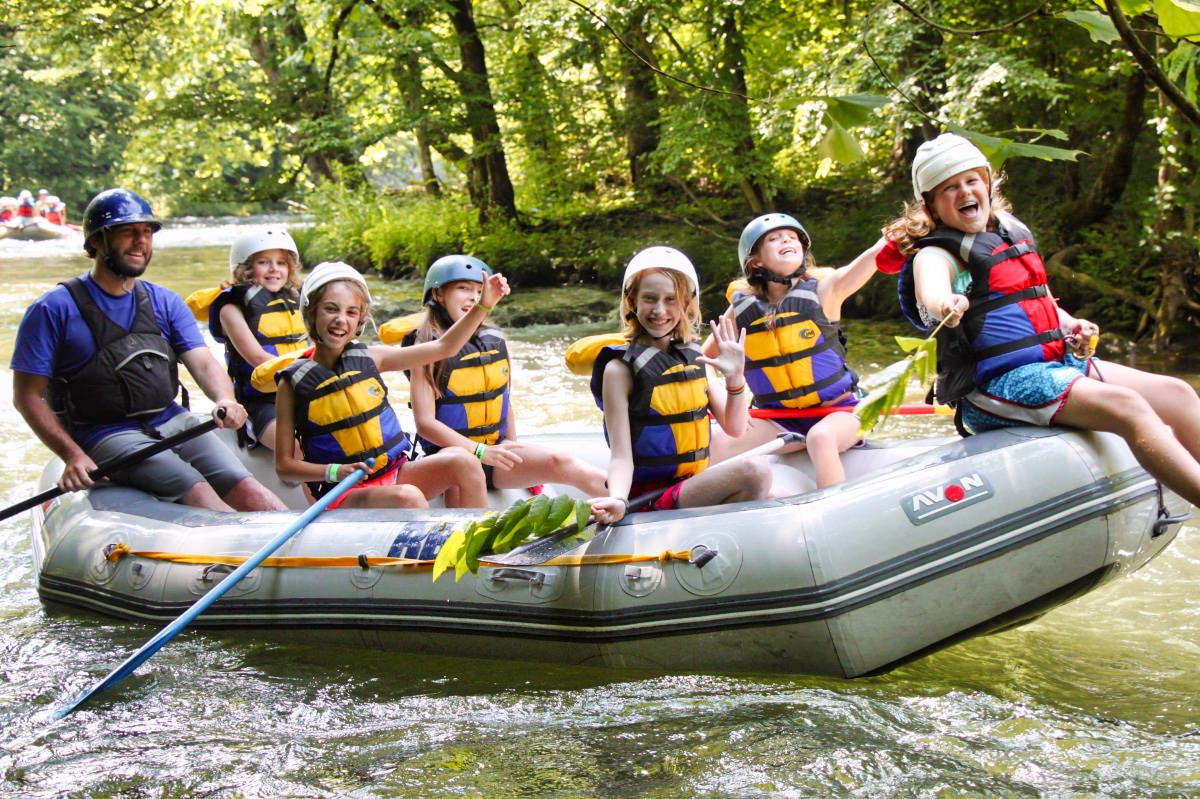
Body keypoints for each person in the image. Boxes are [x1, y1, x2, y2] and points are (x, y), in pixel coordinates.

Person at [884, 131, 1200, 507]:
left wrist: (1072, 326)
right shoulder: (936, 255)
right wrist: (945, 305)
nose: (965, 192)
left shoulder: (1008, 234)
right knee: (1128, 406)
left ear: (987, 185)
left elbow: (1041, 302)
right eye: (949, 187)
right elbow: (930, 291)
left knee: (1178, 394)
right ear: (933, 206)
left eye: (972, 180)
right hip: (999, 385)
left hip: (1054, 366)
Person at [11, 188, 286, 512]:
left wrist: (225, 399)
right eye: (128, 232)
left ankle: (299, 556)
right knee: (198, 492)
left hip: (172, 419)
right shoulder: (52, 309)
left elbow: (204, 364)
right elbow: (27, 396)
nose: (140, 241)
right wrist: (71, 455)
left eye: (146, 233)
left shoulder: (165, 302)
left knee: (248, 488)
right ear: (96, 242)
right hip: (103, 433)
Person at [274, 261, 510, 509]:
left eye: (351, 312)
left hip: (393, 472)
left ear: (360, 321)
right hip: (344, 492)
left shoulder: (374, 358)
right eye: (331, 309)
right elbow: (285, 467)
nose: (341, 320)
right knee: (408, 497)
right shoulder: (292, 385)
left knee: (466, 462)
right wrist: (334, 471)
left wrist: (483, 305)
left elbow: (445, 347)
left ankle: (480, 540)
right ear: (311, 313)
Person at [704, 214, 890, 489]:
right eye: (774, 238)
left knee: (821, 438)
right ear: (755, 261)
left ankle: (835, 514)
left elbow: (867, 262)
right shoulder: (742, 310)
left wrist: (888, 240)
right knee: (712, 443)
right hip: (778, 420)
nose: (787, 240)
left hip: (839, 412)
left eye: (792, 236)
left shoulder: (825, 290)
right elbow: (704, 361)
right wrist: (727, 403)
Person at [589, 246, 772, 525]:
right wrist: (618, 499)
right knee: (755, 470)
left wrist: (735, 379)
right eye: (650, 299)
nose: (660, 310)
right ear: (631, 301)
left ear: (687, 303)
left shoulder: (694, 358)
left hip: (691, 484)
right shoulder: (619, 370)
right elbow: (621, 456)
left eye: (671, 299)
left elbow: (735, 427)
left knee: (781, 492)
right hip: (652, 497)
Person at [405, 254, 608, 500]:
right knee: (460, 474)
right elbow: (425, 424)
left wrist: (512, 444)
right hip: (452, 458)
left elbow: (503, 400)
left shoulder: (493, 341)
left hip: (494, 452)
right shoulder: (426, 348)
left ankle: (631, 501)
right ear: (437, 295)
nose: (473, 297)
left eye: (479, 291)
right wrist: (479, 451)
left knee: (560, 461)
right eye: (463, 288)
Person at [208, 227, 309, 450]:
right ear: (245, 267)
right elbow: (258, 358)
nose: (274, 269)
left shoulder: (297, 300)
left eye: (281, 263)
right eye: (264, 262)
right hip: (261, 402)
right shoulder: (231, 308)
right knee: (300, 449)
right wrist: (311, 372)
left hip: (304, 391)